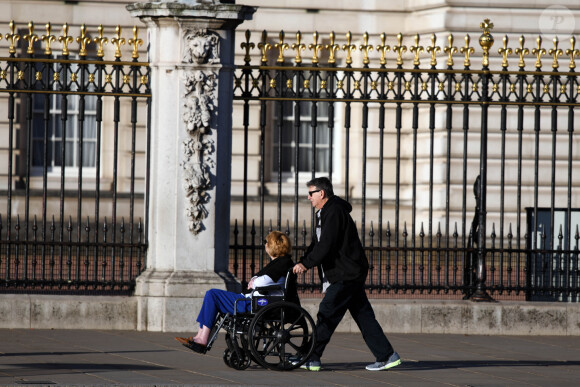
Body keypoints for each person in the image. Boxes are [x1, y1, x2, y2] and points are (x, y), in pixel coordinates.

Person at [293, 177, 401, 371]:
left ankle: (311, 357)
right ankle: (387, 355)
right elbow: (317, 244)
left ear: (321, 193)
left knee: (327, 313)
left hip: (346, 273)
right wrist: (303, 260)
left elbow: (327, 245)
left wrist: (306, 265)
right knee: (363, 316)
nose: (308, 197)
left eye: (311, 193)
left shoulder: (333, 212)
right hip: (349, 272)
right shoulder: (325, 212)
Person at [176, 230, 294, 353]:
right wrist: (255, 280)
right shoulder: (280, 262)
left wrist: (254, 281)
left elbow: (262, 282)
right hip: (251, 299)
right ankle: (200, 336)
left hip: (253, 303)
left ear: (271, 245)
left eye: (266, 242)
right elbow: (262, 279)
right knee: (211, 296)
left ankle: (203, 338)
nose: (265, 245)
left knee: (212, 294)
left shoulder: (282, 263)